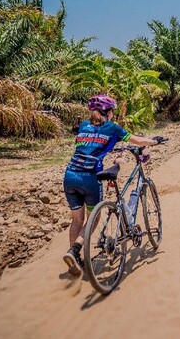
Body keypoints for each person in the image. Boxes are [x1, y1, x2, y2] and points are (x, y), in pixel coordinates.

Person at [63, 94, 161, 277]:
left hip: (69, 176)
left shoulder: (83, 125)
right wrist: (154, 141)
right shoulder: (112, 127)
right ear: (108, 112)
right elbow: (138, 141)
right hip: (89, 178)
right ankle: (75, 250)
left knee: (77, 220)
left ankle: (74, 260)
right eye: (112, 112)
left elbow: (91, 143)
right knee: (94, 218)